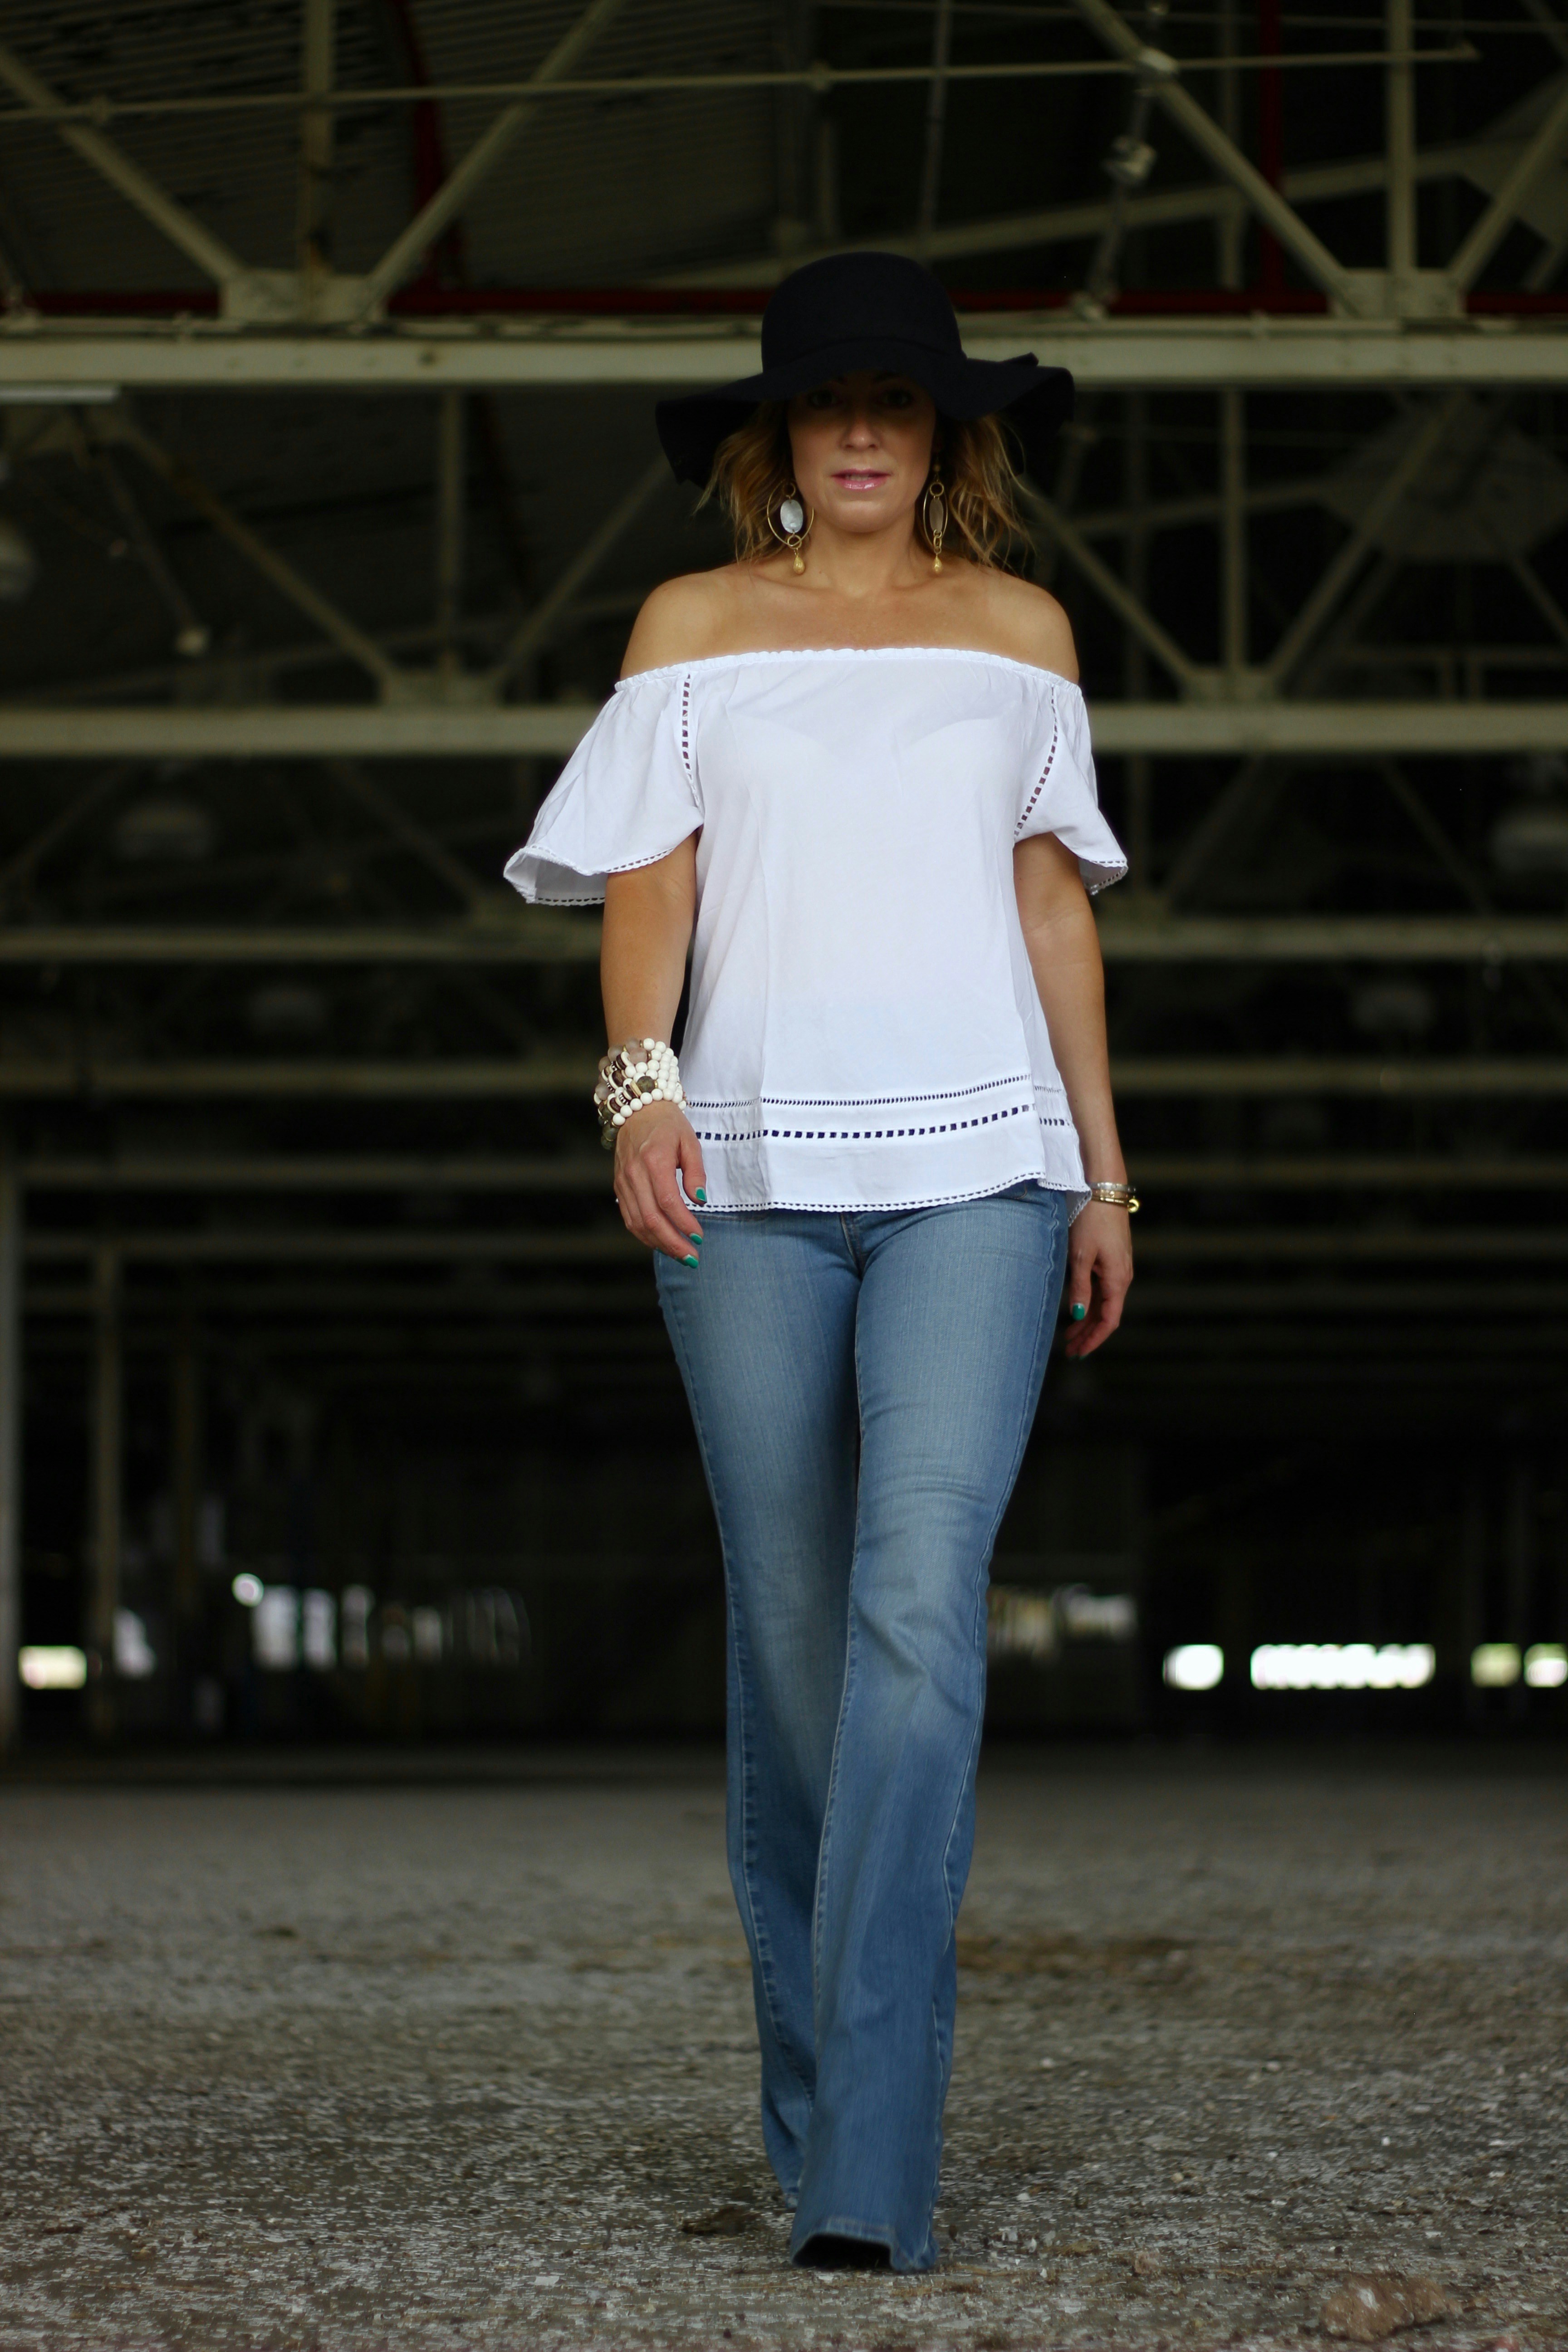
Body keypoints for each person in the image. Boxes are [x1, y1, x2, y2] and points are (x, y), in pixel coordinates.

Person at [505, 251, 1135, 2274]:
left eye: (902, 400)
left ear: (948, 432)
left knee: (914, 1612)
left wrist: (1106, 1176)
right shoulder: (691, 631)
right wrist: (636, 1089)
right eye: (829, 402)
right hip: (749, 1186)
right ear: (776, 436)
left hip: (984, 1178)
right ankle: (810, 2119)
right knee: (790, 1657)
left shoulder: (1020, 636)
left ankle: (870, 2161)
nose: (865, 430)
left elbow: (1053, 915)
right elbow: (645, 890)